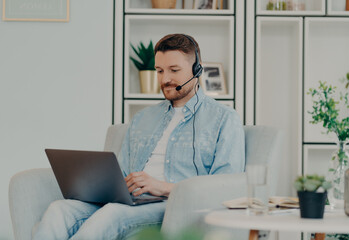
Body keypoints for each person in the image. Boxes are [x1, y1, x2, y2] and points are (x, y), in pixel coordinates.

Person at [32, 33, 245, 240]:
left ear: (197, 69)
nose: (166, 79)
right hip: (131, 201)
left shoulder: (224, 119)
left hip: (170, 207)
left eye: (174, 70)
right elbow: (123, 172)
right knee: (58, 210)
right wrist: (104, 185)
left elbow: (224, 188)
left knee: (111, 215)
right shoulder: (143, 118)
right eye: (160, 71)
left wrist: (164, 187)